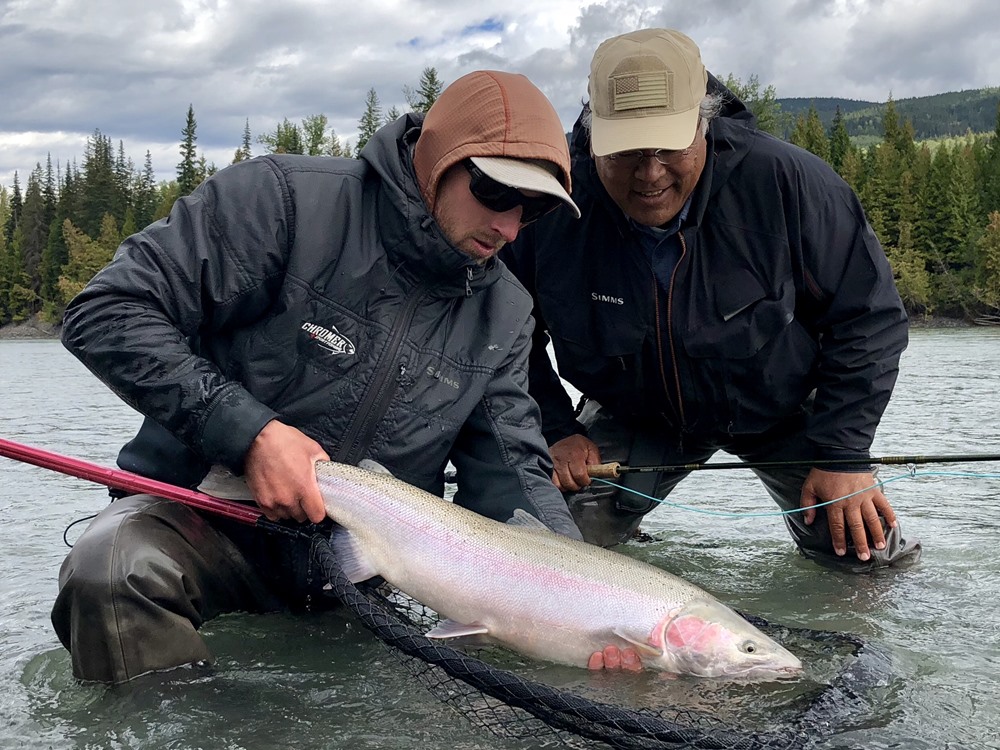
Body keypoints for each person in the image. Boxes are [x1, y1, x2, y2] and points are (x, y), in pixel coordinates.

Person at [52, 70, 587, 684]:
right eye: (497, 194)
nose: (510, 227)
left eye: (536, 208)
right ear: (439, 160)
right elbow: (106, 311)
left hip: (356, 575)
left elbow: (511, 479)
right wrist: (250, 435)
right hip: (198, 520)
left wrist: (588, 607)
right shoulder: (280, 201)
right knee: (112, 571)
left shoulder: (507, 311)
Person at [500, 28, 922, 572]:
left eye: (669, 146)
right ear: (592, 133)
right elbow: (505, 331)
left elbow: (871, 319)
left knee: (866, 558)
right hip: (635, 413)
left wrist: (843, 452)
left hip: (785, 409)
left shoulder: (789, 182)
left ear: (705, 122)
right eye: (627, 151)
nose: (650, 173)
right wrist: (555, 428)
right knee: (545, 551)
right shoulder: (551, 205)